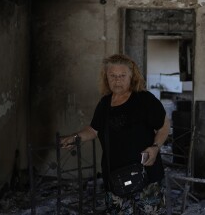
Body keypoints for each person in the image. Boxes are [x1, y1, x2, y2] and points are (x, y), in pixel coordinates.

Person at [61, 54, 170, 215]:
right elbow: (93, 130)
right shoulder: (105, 103)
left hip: (147, 178)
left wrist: (155, 148)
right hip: (115, 178)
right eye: (112, 76)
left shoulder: (144, 99)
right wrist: (76, 137)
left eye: (122, 76)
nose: (117, 80)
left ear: (131, 77)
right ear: (106, 77)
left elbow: (164, 127)